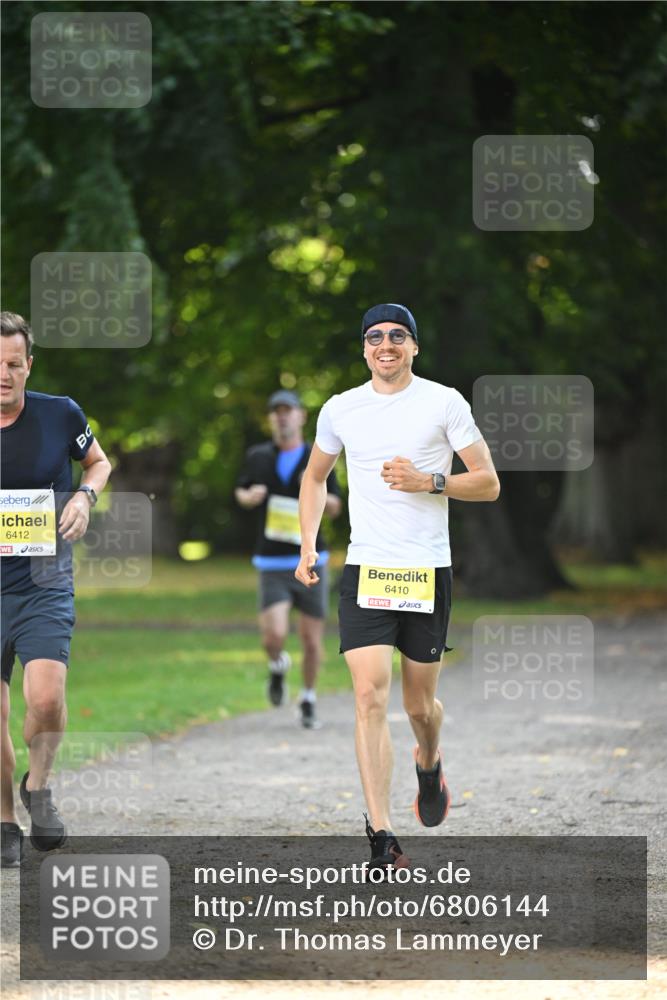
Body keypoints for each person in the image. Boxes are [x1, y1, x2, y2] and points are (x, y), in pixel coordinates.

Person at [295, 303, 500, 872]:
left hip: (426, 570)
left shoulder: (444, 402)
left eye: (398, 336)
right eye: (375, 337)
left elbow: (488, 483)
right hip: (367, 569)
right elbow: (314, 477)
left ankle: (429, 760)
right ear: (363, 348)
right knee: (368, 696)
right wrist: (308, 542)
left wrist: (430, 481)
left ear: (414, 347)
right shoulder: (341, 409)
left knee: (417, 704)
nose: (386, 345)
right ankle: (381, 834)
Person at [0, 312, 111, 867]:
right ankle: (3, 822)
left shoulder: (60, 412)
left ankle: (37, 786)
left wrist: (83, 498)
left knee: (44, 699)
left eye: (13, 363)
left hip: (44, 582)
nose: (3, 374)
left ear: (29, 365)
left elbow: (98, 462)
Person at [235, 390, 342, 728]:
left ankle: (308, 698)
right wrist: (249, 496)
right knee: (273, 636)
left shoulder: (318, 456)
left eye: (288, 411)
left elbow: (337, 505)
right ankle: (278, 664)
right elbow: (240, 491)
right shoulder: (258, 456)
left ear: (301, 417)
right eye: (276, 412)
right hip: (272, 561)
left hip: (311, 557)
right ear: (271, 419)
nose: (282, 417)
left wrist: (317, 489)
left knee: (312, 639)